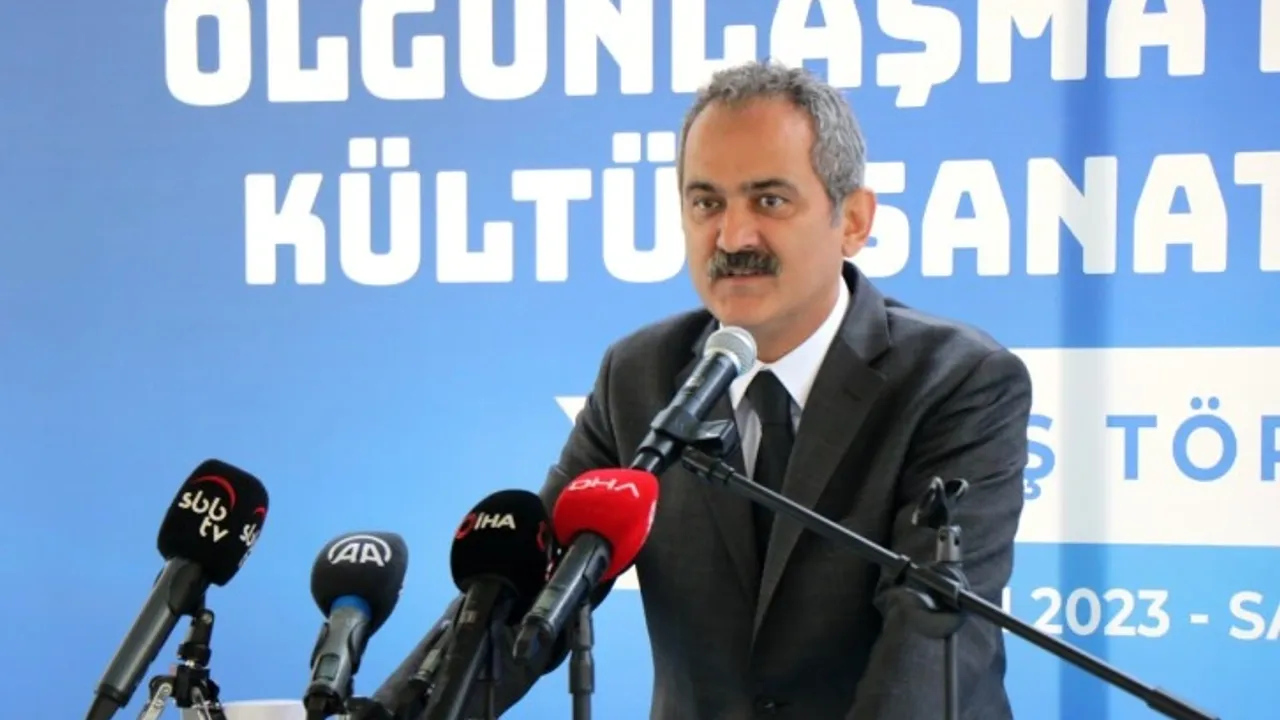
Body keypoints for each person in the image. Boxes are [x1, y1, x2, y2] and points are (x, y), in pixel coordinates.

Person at [376, 59, 1031, 719]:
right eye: (707, 203)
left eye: (769, 200)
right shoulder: (640, 375)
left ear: (854, 220)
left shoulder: (957, 380)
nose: (733, 236)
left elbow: (928, 641)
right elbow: (526, 597)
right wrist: (397, 710)